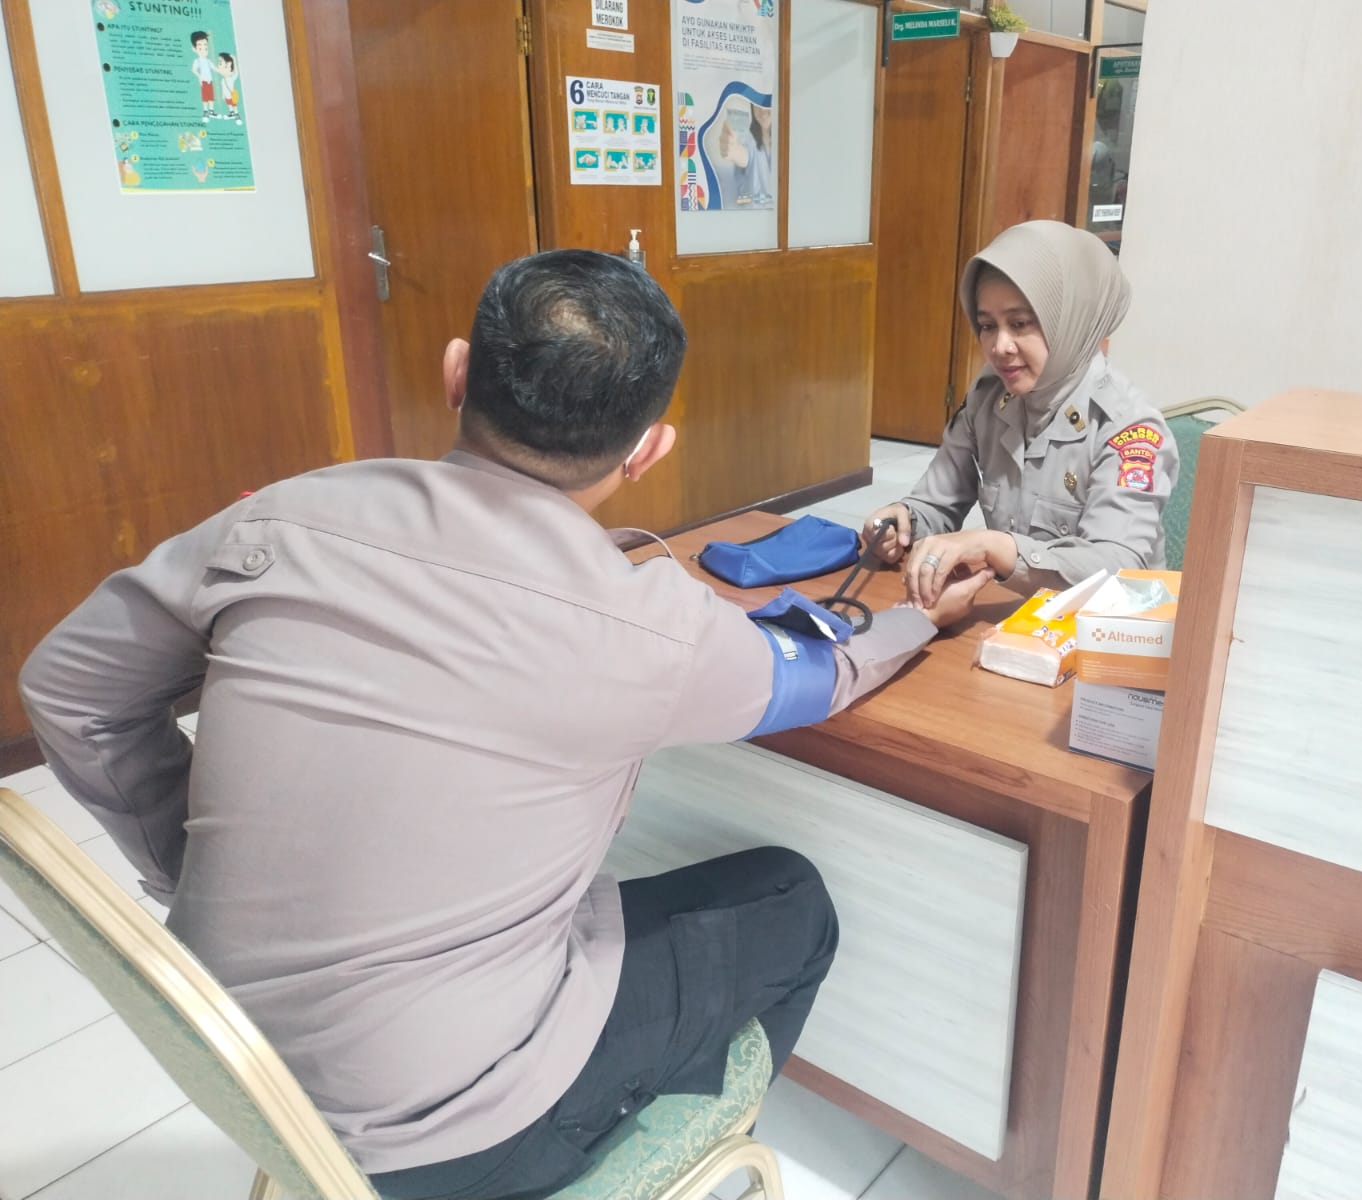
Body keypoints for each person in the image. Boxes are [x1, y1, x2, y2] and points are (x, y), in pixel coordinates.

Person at [19, 251, 992, 1199]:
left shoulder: (282, 519)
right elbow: (822, 676)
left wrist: (186, 864)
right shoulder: (647, 628)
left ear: (457, 373)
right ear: (650, 449)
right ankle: (655, 1154)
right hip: (447, 1142)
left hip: (226, 1054)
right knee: (790, 901)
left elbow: (69, 688)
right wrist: (922, 620)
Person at [865, 221, 1177, 608]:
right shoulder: (989, 397)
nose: (1000, 347)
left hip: (1108, 627)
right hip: (1014, 613)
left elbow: (1118, 567)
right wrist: (903, 520)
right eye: (987, 326)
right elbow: (938, 503)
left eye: (1020, 323)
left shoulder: (1126, 427)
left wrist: (996, 546)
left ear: (1071, 319)